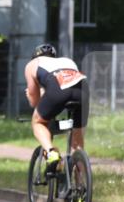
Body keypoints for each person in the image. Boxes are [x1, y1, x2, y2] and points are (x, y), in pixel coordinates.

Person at [24, 43, 87, 171]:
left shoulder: (32, 64)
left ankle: (51, 153)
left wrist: (38, 105)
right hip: (83, 90)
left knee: (37, 122)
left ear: (34, 56)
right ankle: (81, 184)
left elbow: (33, 98)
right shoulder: (67, 61)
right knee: (77, 140)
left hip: (57, 90)